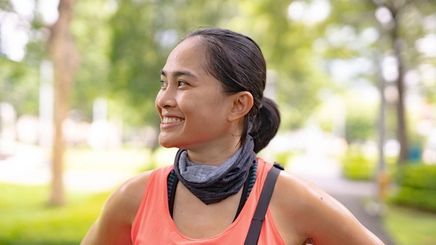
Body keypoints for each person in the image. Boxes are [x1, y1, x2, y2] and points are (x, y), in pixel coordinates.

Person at [81, 28, 383, 245]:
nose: (163, 100)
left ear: (238, 104)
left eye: (183, 84)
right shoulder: (133, 198)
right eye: (164, 83)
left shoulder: (291, 199)